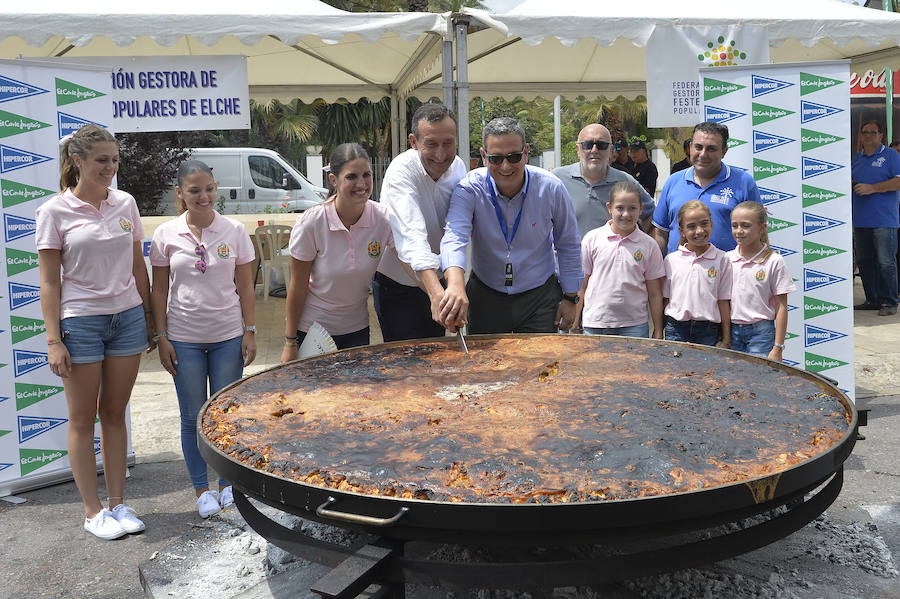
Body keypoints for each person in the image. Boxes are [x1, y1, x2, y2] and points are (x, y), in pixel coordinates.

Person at [35, 124, 154, 540]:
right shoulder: (54, 212)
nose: (110, 168)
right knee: (83, 418)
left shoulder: (125, 203)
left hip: (128, 319)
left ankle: (119, 504)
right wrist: (54, 340)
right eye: (102, 160)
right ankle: (93, 511)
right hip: (80, 322)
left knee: (116, 414)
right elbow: (49, 282)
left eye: (115, 160)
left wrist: (151, 319)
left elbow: (138, 266)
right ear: (78, 161)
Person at [149, 160, 257, 518]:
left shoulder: (235, 231)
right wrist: (161, 336)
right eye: (194, 190)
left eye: (209, 188)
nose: (204, 196)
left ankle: (228, 485)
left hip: (228, 337)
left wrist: (250, 330)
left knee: (224, 415)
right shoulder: (166, 234)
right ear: (179, 193)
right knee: (191, 415)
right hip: (183, 339)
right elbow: (159, 288)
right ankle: (202, 490)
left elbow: (245, 286)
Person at [439, 117, 582, 333]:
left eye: (514, 156)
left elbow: (568, 243)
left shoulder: (551, 188)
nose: (505, 166)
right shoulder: (469, 189)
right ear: (484, 157)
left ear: (526, 153)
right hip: (486, 295)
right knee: (488, 365)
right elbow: (454, 237)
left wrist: (571, 297)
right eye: (496, 159)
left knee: (541, 364)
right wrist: (455, 284)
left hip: (540, 298)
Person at [281, 143, 394, 359]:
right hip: (314, 332)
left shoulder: (382, 218)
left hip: (357, 330)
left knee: (354, 393)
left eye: (366, 175)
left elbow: (409, 260)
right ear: (334, 180)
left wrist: (438, 294)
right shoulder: (312, 222)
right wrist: (289, 342)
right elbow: (297, 286)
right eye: (351, 177)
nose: (361, 184)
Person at [373, 103, 467, 341]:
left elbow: (458, 228)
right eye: (431, 144)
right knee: (405, 368)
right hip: (398, 287)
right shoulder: (400, 172)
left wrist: (449, 289)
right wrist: (436, 294)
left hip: (440, 283)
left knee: (437, 361)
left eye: (448, 143)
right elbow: (411, 236)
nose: (441, 154)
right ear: (414, 142)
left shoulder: (459, 168)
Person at [653, 121, 761, 255]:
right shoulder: (673, 181)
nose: (703, 154)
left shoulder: (744, 182)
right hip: (679, 274)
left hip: (727, 273)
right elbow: (661, 233)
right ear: (690, 147)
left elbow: (757, 233)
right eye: (698, 147)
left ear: (724, 152)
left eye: (711, 149)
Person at [579, 181, 665, 338]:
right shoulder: (592, 239)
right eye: (620, 208)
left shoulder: (649, 245)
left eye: (632, 208)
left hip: (634, 327)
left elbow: (654, 293)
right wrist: (573, 322)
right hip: (595, 324)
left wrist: (658, 329)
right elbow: (582, 285)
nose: (626, 214)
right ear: (609, 208)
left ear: (641, 209)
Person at [552, 123, 654, 239]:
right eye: (588, 145)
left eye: (601, 145)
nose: (594, 150)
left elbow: (653, 213)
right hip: (570, 257)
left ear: (611, 150)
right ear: (578, 149)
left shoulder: (625, 181)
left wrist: (639, 241)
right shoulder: (557, 180)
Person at [728, 201, 796, 361]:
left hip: (762, 333)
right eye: (735, 225)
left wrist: (778, 347)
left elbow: (782, 307)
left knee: (759, 380)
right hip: (732, 332)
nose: (739, 231)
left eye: (745, 225)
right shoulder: (727, 259)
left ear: (762, 228)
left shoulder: (774, 261)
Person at [662, 200, 732, 347]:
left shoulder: (722, 259)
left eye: (704, 223)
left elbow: (723, 301)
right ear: (681, 231)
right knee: (675, 369)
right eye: (691, 226)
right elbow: (666, 300)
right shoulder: (671, 260)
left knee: (705, 370)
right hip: (676, 329)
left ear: (711, 224)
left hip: (708, 330)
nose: (699, 231)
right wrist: (659, 330)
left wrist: (726, 338)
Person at [851, 120, 900, 316]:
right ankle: (872, 299)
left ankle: (890, 301)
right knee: (864, 261)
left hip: (883, 220)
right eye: (865, 132)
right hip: (860, 220)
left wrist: (872, 188)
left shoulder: (891, 155)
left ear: (881, 136)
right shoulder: (857, 159)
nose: (868, 136)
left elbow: (898, 182)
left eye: (873, 132)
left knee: (885, 261)